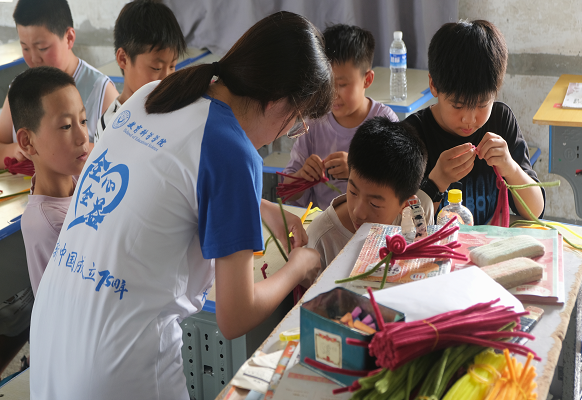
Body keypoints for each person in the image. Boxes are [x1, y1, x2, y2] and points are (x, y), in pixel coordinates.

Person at [30, 11, 333, 400]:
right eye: (296, 123)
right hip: (118, 365)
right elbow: (235, 315)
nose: (288, 133)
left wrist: (258, 206)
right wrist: (298, 267)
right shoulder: (234, 152)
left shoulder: (153, 94)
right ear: (276, 103)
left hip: (54, 334)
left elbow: (163, 178)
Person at [405, 20, 544, 225]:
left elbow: (535, 212)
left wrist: (510, 168)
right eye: (458, 105)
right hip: (437, 253)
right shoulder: (413, 133)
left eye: (482, 105)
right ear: (434, 85)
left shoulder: (500, 119)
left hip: (489, 249)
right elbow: (404, 225)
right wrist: (437, 182)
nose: (469, 119)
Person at [282, 24, 398, 210]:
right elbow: (286, 192)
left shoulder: (385, 121)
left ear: (367, 79)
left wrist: (356, 172)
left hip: (369, 226)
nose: (333, 93)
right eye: (327, 84)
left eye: (342, 84)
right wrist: (303, 176)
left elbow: (398, 187)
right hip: (322, 224)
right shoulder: (314, 121)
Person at [0, 0, 118, 168]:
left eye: (42, 48)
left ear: (69, 38)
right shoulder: (20, 89)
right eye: (25, 48)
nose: (34, 59)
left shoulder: (101, 91)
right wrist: (14, 151)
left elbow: (119, 154)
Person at [307, 117, 430, 271]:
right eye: (353, 191)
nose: (358, 212)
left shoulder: (418, 215)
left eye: (374, 204)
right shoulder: (322, 238)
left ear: (405, 204)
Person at [13, 67, 88, 296]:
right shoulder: (48, 223)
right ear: (28, 142)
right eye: (66, 126)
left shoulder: (79, 178)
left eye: (83, 120)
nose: (83, 136)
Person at [95, 0, 186, 143]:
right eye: (156, 68)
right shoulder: (111, 126)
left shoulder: (174, 107)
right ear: (123, 59)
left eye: (172, 66)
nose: (167, 78)